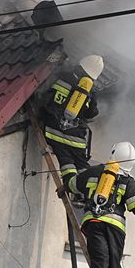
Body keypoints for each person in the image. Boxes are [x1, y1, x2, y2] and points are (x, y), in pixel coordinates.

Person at [69, 142, 135, 268]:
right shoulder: (128, 181)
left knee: (99, 257)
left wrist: (67, 183)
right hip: (115, 227)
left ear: (113, 153)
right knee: (114, 260)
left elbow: (73, 185)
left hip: (94, 222)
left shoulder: (94, 171)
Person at [41, 54, 104, 187]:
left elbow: (46, 98)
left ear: (80, 66)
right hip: (77, 140)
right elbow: (91, 114)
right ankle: (86, 191)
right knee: (82, 165)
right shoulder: (92, 92)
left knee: (66, 162)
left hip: (54, 131)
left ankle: (72, 186)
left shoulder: (63, 77)